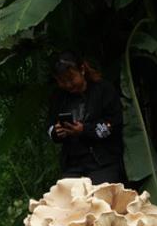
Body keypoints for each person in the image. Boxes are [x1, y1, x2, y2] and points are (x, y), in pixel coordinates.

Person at [47, 52, 124, 184]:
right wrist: (56, 131)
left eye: (71, 79)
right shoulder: (58, 97)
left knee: (101, 200)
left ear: (82, 70)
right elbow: (49, 127)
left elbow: (114, 123)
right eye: (62, 81)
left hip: (103, 162)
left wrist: (84, 130)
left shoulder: (103, 90)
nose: (68, 85)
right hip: (72, 165)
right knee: (68, 201)